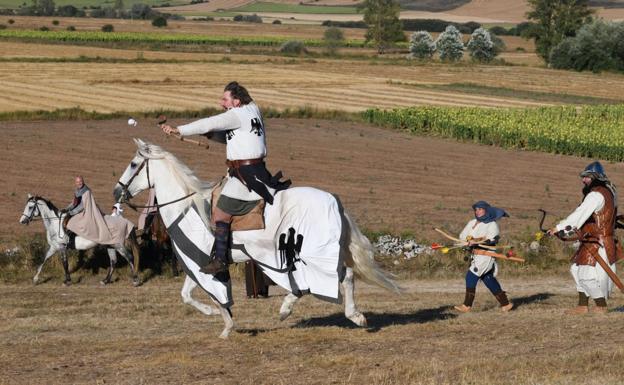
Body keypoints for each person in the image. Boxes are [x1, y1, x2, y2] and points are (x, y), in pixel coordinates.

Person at [161, 81, 290, 274]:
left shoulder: (236, 114)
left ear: (237, 101)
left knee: (220, 213)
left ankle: (220, 260)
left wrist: (178, 129)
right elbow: (230, 136)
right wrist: (208, 134)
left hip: (245, 176)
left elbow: (210, 122)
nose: (221, 103)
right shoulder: (253, 110)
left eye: (225, 99)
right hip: (257, 170)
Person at [547, 161, 619, 314]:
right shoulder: (608, 192)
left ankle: (601, 306)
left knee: (585, 274)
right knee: (576, 269)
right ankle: (582, 305)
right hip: (594, 239)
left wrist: (559, 228)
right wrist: (566, 230)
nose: (583, 180)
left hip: (597, 241)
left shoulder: (596, 195)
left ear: (594, 177)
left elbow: (580, 215)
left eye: (586, 177)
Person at [454, 201, 513, 313]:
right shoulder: (472, 222)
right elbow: (462, 235)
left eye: (480, 209)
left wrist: (476, 241)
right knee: (488, 279)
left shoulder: (492, 224)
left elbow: (491, 239)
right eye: (476, 209)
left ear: (486, 210)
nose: (478, 211)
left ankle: (466, 306)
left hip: (485, 255)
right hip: (475, 255)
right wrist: (467, 241)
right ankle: (506, 304)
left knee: (470, 277)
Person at [60, 176, 91, 247]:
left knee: (71, 221)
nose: (79, 183)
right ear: (75, 183)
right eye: (77, 182)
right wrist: (66, 209)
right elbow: (74, 203)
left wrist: (72, 212)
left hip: (85, 211)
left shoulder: (86, 191)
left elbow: (83, 205)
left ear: (83, 181)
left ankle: (71, 241)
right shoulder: (77, 190)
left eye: (80, 181)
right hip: (78, 210)